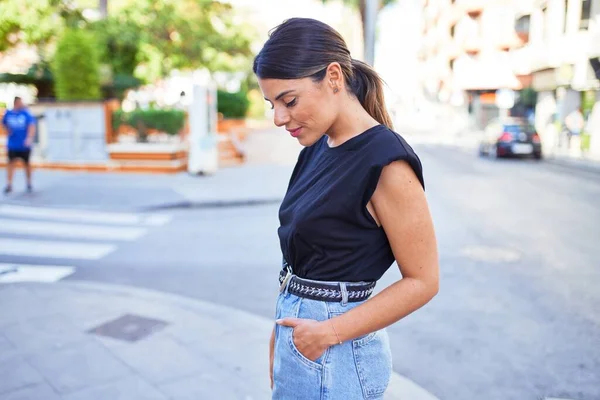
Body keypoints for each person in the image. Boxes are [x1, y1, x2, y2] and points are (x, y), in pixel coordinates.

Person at [253, 18, 439, 399]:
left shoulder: (386, 161)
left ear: (334, 77)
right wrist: (282, 329)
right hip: (303, 335)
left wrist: (324, 334)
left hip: (334, 348)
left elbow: (423, 281)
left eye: (289, 101)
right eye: (272, 104)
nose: (278, 118)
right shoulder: (317, 148)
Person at [2, 97, 36, 194]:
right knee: (11, 164)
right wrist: (7, 130)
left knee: (27, 163)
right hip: (12, 144)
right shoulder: (9, 114)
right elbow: (4, 124)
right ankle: (9, 184)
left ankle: (29, 183)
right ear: (16, 102)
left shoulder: (25, 113)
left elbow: (31, 126)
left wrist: (29, 138)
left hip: (24, 144)